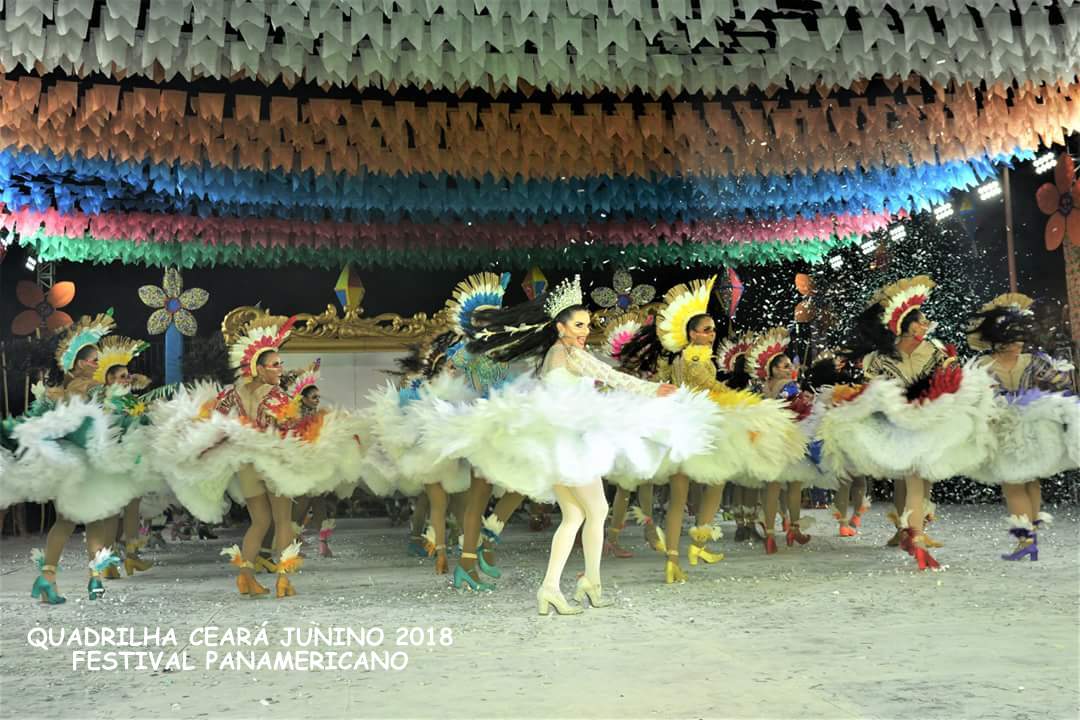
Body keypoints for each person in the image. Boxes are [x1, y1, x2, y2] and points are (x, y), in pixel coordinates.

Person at [965, 293, 1078, 560]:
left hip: (1025, 426)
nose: (1019, 344)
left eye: (1020, 338)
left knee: (1019, 481)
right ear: (999, 340)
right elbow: (1064, 381)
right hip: (1008, 426)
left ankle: (1026, 538)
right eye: (1013, 339)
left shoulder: (997, 363)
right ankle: (1029, 538)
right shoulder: (994, 364)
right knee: (1021, 480)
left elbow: (1063, 381)